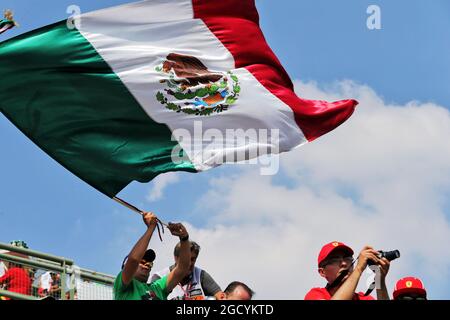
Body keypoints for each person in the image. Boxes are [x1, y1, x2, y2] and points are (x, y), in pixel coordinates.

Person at [114, 211, 191, 300]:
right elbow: (133, 260)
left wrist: (184, 238)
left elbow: (183, 268)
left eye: (150, 264)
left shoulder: (158, 288)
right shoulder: (123, 285)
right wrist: (151, 228)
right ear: (126, 267)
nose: (147, 265)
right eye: (142, 262)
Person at [305, 241, 391, 300]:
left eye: (347, 258)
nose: (344, 263)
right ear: (322, 272)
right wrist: (359, 268)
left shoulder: (363, 298)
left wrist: (380, 280)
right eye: (335, 260)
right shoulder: (315, 294)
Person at [150, 241, 223, 300]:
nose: (190, 263)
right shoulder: (159, 276)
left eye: (193, 259)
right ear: (176, 258)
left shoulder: (201, 275)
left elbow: (221, 297)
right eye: (186, 259)